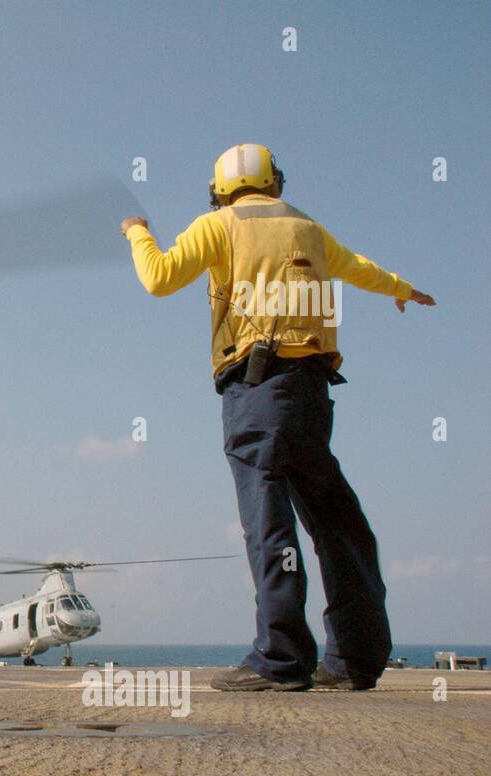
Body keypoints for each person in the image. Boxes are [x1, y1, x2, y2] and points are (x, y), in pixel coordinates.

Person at [119, 144, 435, 691]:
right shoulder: (308, 228)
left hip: (256, 388)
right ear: (277, 182)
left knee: (269, 520)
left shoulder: (218, 224)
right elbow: (358, 268)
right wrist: (401, 289)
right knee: (337, 522)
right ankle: (354, 660)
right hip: (312, 391)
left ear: (219, 190)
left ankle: (281, 658)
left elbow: (160, 278)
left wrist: (136, 231)